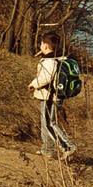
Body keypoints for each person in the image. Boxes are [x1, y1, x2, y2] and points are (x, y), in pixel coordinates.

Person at [29, 26, 77, 161]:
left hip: (49, 97)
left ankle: (68, 147)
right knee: (45, 122)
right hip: (50, 97)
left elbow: (46, 78)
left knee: (50, 123)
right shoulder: (57, 59)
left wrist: (34, 84)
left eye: (41, 44)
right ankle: (47, 149)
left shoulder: (49, 62)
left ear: (45, 46)